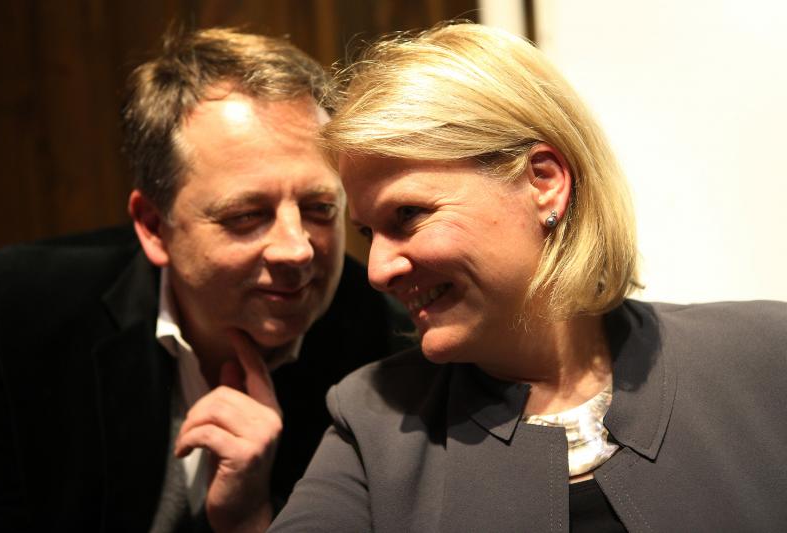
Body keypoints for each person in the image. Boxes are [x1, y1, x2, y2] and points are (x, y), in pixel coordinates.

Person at [270, 22, 787, 532]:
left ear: (543, 181)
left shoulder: (765, 356)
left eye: (408, 215)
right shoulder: (371, 421)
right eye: (367, 233)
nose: (379, 270)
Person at [0, 28, 410, 532]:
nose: (296, 249)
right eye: (246, 215)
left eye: (320, 208)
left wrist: (250, 519)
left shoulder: (395, 354)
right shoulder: (14, 312)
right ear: (153, 226)